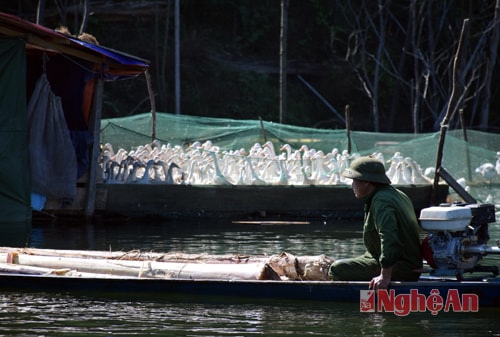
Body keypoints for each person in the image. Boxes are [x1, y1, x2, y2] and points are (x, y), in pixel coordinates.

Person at [328, 156, 422, 289]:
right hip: (408, 264)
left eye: (355, 180)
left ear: (367, 182)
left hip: (402, 267)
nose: (352, 185)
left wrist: (385, 276)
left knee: (337, 269)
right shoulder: (397, 194)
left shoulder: (381, 201)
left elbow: (389, 238)